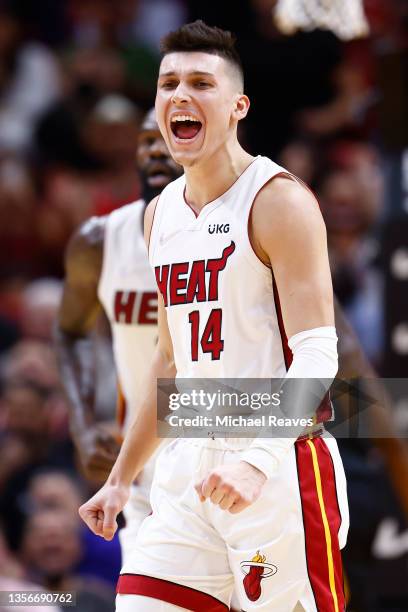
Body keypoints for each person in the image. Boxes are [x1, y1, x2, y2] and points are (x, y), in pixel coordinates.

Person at [79, 21, 348, 611]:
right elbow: (170, 360)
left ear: (237, 107)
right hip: (185, 467)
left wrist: (256, 462)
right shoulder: (161, 217)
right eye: (168, 82)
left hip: (279, 465)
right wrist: (123, 477)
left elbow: (318, 353)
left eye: (201, 82)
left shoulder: (279, 200)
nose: (181, 94)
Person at [55, 108, 182, 563]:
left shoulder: (249, 231)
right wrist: (84, 427)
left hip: (229, 445)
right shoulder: (100, 239)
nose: (153, 150)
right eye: (145, 140)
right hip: (142, 468)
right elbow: (69, 331)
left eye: (168, 137)